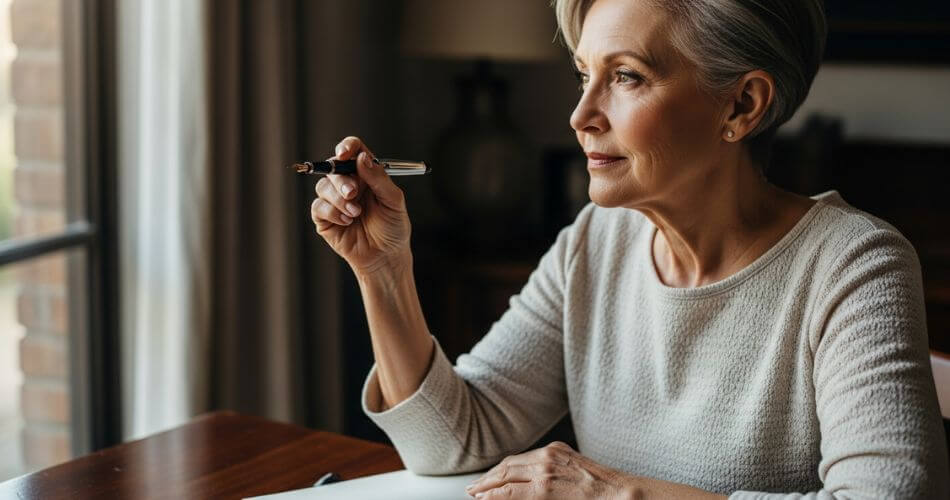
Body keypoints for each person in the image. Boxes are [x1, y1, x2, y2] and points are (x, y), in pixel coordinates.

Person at [309, 0, 949, 497]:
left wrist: (617, 494)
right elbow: (451, 442)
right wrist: (383, 268)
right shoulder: (597, 240)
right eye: (585, 74)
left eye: (627, 77)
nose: (580, 114)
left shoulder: (855, 266)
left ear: (742, 105)